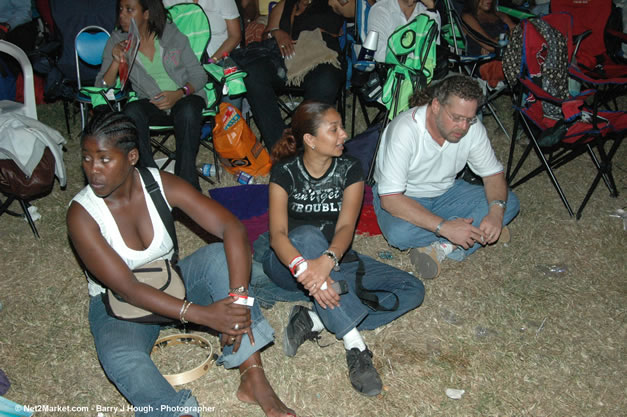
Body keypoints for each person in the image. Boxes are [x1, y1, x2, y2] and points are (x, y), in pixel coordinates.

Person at [67, 111, 297, 417]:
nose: (92, 170)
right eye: (86, 158)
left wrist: (239, 300)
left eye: (104, 159)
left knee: (219, 257)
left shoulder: (158, 184)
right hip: (118, 306)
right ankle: (176, 412)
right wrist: (204, 315)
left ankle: (254, 379)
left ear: (131, 156)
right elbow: (129, 289)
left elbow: (232, 228)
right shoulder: (82, 215)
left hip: (169, 280)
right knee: (122, 357)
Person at [254, 101, 425, 396]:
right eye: (334, 129)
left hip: (334, 260)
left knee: (412, 289)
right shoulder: (285, 172)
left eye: (341, 127)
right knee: (306, 235)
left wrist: (328, 260)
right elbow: (278, 235)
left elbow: (346, 227)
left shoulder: (350, 169)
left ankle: (315, 317)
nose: (344, 134)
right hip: (286, 264)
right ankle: (355, 346)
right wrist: (306, 267)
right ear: (310, 140)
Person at [372, 74, 520, 279]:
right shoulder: (405, 130)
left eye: (469, 119)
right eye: (457, 118)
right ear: (435, 106)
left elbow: (493, 175)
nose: (464, 127)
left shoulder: (472, 129)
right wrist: (444, 227)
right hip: (404, 197)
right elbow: (390, 200)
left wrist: (495, 214)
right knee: (399, 234)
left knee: (508, 201)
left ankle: (445, 246)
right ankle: (472, 233)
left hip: (447, 192)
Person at [96, 0, 208, 190]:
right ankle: (150, 179)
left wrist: (179, 93)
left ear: (146, 14)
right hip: (151, 102)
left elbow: (199, 75)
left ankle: (186, 182)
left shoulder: (172, 35)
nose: (122, 14)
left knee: (189, 109)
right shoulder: (117, 40)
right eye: (121, 9)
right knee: (131, 111)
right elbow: (102, 85)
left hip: (183, 97)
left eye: (129, 10)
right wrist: (116, 61)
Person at [240, 0, 352, 151]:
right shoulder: (283, 5)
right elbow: (266, 36)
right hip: (286, 61)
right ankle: (281, 145)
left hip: (322, 59)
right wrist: (276, 33)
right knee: (252, 73)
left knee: (326, 80)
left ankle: (300, 140)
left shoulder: (331, 2)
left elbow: (359, 9)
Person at [162, 0, 242, 63]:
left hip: (223, 58)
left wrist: (212, 61)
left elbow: (235, 36)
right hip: (189, 62)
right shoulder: (169, 2)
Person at [461, 0, 515, 87]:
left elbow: (519, 33)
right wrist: (503, 40)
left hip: (509, 57)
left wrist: (499, 40)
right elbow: (489, 44)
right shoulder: (468, 17)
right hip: (485, 62)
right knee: (529, 64)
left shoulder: (499, 15)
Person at [368, 0, 440, 63]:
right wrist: (415, 58)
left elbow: (433, 52)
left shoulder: (429, 13)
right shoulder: (381, 9)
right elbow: (379, 54)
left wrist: (431, 9)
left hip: (422, 74)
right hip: (389, 73)